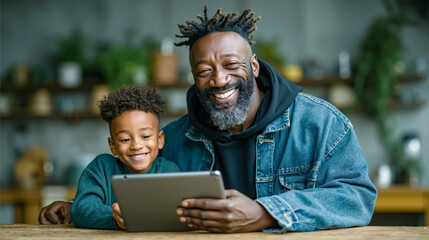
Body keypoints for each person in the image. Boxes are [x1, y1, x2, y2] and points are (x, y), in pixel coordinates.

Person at [39, 6, 377, 233]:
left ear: (254, 66)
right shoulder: (171, 139)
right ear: (194, 77)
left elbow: (356, 198)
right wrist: (77, 207)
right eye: (204, 71)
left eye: (232, 64)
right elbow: (145, 186)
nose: (218, 80)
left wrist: (264, 214)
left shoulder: (319, 124)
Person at [68, 85, 180, 230]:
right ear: (112, 145)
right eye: (125, 139)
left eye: (145, 136)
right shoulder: (102, 168)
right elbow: (81, 209)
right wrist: (115, 219)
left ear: (160, 139)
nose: (136, 145)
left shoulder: (170, 171)